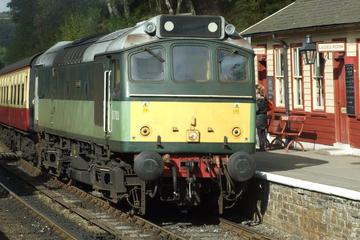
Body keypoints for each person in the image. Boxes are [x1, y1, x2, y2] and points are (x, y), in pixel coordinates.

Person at [256, 84, 268, 151]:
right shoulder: (265, 98)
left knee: (259, 133)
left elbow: (257, 109)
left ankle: (261, 146)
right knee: (263, 132)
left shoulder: (259, 100)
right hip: (264, 117)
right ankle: (264, 146)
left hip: (259, 117)